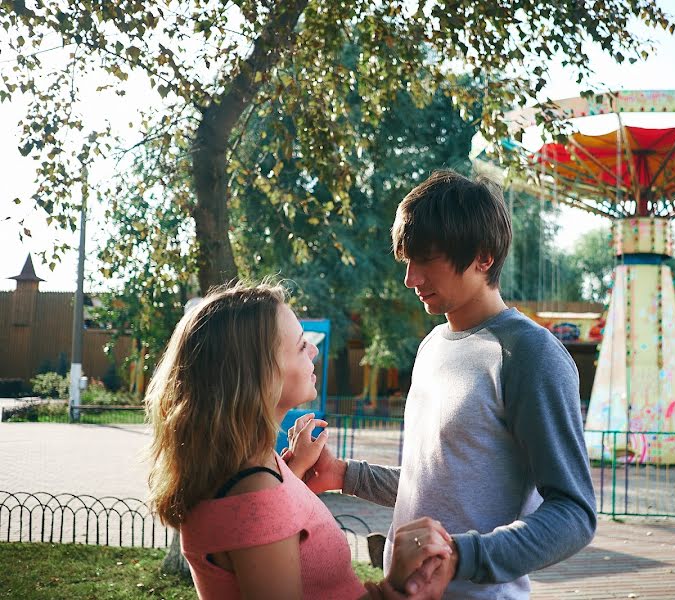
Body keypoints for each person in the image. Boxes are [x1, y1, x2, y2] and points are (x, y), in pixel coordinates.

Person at [304, 170, 598, 598]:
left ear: (483, 257)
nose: (411, 279)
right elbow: (438, 482)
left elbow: (574, 512)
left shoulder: (530, 355)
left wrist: (462, 556)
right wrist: (345, 475)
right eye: (407, 260)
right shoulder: (431, 347)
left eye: (425, 259)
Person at [145, 282, 453, 600]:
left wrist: (296, 474)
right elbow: (258, 517)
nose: (315, 351)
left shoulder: (254, 469)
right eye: (301, 345)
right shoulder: (253, 489)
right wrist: (395, 589)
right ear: (262, 373)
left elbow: (271, 530)